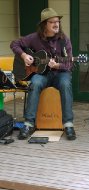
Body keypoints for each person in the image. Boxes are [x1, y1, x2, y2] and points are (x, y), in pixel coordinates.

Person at [10, 8, 76, 140]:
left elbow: (70, 63)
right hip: (43, 74)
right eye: (52, 22)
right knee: (35, 82)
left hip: (60, 73)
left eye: (57, 21)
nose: (56, 24)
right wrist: (23, 55)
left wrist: (58, 65)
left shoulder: (64, 40)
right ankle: (28, 124)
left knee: (65, 84)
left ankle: (68, 124)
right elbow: (14, 43)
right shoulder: (34, 38)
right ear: (44, 25)